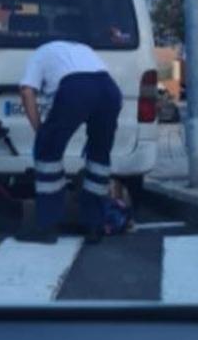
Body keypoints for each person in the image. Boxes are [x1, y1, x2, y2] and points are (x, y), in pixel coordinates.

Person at [17, 40, 122, 244]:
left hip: (77, 89)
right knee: (99, 158)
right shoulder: (83, 49)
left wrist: (40, 131)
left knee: (48, 154)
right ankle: (94, 224)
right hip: (109, 90)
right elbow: (97, 79)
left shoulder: (39, 53)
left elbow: (26, 91)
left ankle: (46, 226)